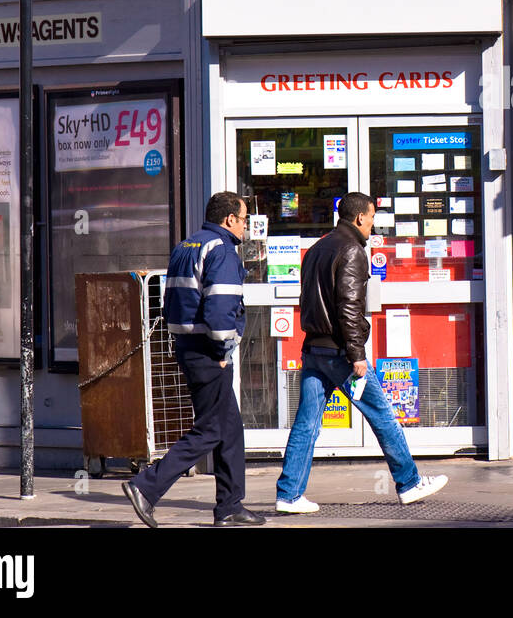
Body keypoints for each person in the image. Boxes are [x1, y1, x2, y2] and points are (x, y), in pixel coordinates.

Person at [275, 192, 448, 513]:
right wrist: (356, 354)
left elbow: (310, 300)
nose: (372, 225)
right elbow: (349, 307)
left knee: (306, 423)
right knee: (382, 415)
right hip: (341, 354)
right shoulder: (352, 251)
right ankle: (409, 483)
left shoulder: (316, 249)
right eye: (371, 219)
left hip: (314, 348)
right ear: (358, 218)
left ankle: (289, 494)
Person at [122, 192, 262, 527]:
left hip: (187, 345)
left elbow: (170, 301)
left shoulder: (187, 246)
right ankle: (146, 486)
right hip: (208, 352)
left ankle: (229, 505)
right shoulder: (222, 249)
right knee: (211, 430)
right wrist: (222, 351)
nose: (245, 227)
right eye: (243, 220)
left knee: (229, 429)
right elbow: (219, 309)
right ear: (229, 219)